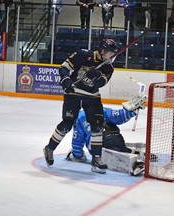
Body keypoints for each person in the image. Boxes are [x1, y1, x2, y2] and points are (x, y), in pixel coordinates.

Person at [43, 38, 118, 174]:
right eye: (110, 53)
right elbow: (64, 68)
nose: (112, 56)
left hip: (92, 96)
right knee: (67, 123)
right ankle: (50, 148)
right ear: (102, 50)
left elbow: (101, 83)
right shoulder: (83, 55)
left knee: (97, 126)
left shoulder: (108, 67)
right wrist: (65, 80)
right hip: (74, 92)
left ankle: (96, 157)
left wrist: (96, 75)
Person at [66, 103, 148, 176]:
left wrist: (77, 155)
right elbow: (120, 116)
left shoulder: (79, 117)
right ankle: (139, 154)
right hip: (117, 137)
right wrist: (132, 110)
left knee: (115, 156)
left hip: (101, 143)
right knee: (122, 149)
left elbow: (77, 142)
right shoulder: (103, 110)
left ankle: (134, 164)